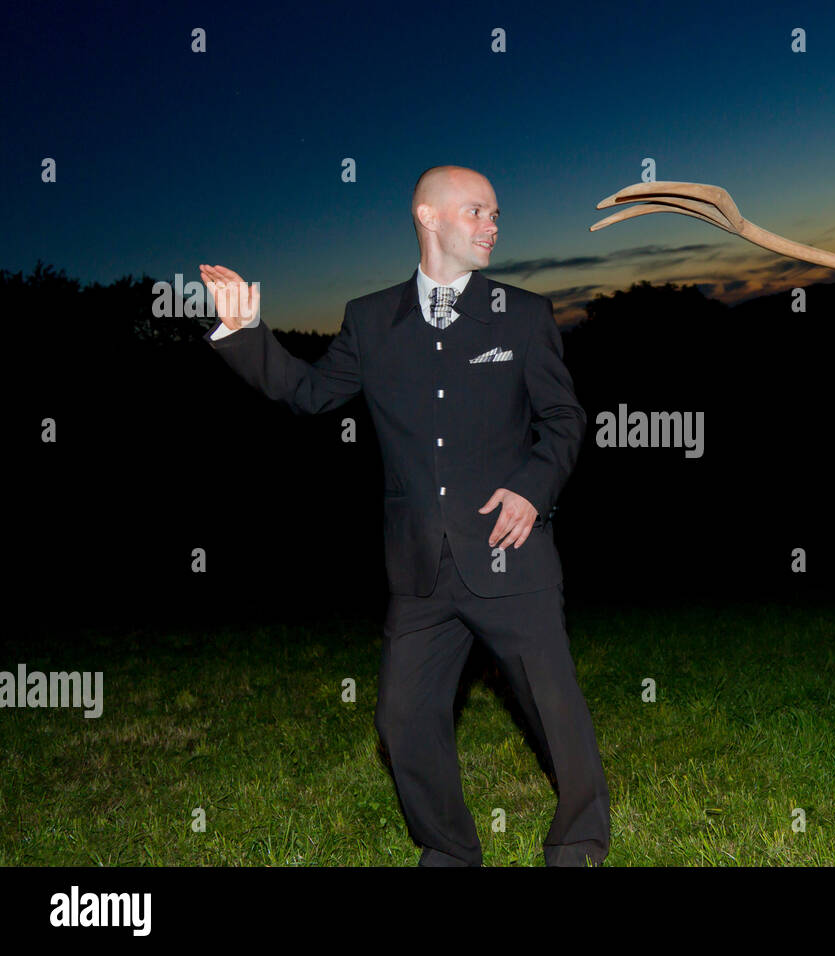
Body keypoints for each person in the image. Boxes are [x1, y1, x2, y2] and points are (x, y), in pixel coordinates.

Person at [199, 165, 610, 866]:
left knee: (554, 707)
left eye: (496, 214)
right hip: (419, 564)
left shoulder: (523, 314)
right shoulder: (370, 319)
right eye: (477, 211)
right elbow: (308, 392)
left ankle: (577, 840)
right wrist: (243, 331)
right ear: (428, 216)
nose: (492, 225)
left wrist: (531, 488)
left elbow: (565, 419)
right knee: (402, 717)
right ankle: (448, 849)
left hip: (510, 550)